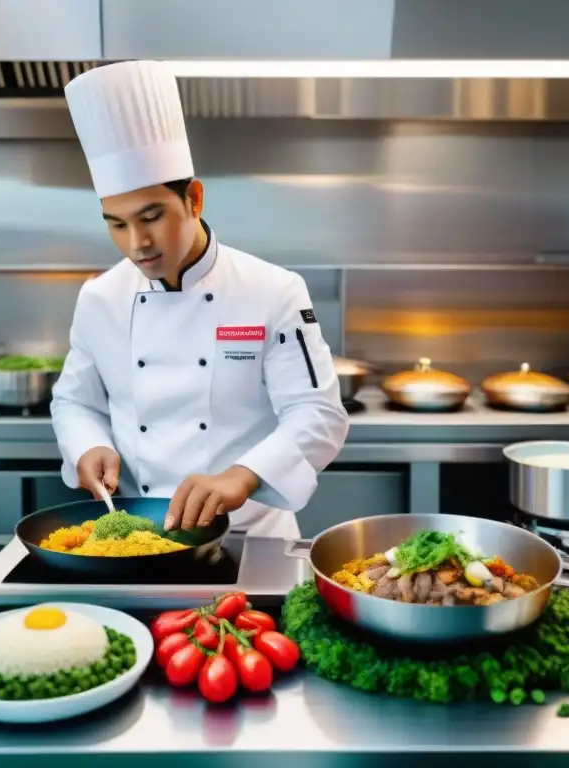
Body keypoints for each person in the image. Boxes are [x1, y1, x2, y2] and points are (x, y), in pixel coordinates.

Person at [51, 60, 350, 539]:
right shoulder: (99, 298)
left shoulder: (273, 290)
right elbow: (74, 402)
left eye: (151, 216)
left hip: (249, 536)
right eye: (117, 223)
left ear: (194, 198)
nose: (137, 244)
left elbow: (319, 414)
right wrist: (87, 446)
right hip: (136, 537)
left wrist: (243, 475)